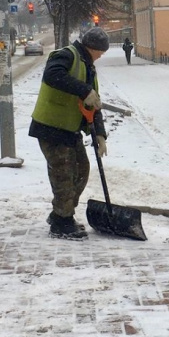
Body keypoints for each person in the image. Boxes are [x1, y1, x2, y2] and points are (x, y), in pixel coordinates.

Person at [29, 27, 110, 241]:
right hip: (51, 126)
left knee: (81, 169)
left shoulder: (88, 67)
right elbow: (52, 75)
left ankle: (60, 213)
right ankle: (61, 222)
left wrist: (99, 135)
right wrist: (84, 91)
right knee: (64, 174)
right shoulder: (66, 55)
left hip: (69, 128)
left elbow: (94, 103)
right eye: (100, 52)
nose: (101, 56)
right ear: (92, 48)